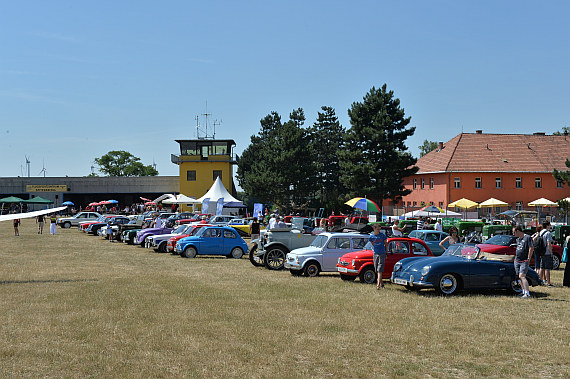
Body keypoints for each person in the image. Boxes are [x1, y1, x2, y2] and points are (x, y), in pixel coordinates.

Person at [513, 224, 534, 298]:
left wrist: (529, 258)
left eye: (514, 232)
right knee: (519, 277)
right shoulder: (518, 239)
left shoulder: (527, 237)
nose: (513, 234)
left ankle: (527, 293)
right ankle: (523, 292)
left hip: (524, 260)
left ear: (518, 231)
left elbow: (531, 247)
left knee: (522, 276)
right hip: (517, 260)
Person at [369, 223, 388, 289]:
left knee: (380, 270)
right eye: (377, 229)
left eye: (379, 229)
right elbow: (372, 244)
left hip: (382, 253)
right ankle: (382, 284)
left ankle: (378, 285)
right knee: (376, 270)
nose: (379, 230)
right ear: (374, 228)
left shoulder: (382, 235)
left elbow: (386, 243)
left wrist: (386, 251)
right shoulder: (371, 236)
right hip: (375, 254)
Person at [540, 221, 554, 287]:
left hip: (541, 251)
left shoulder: (541, 232)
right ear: (547, 225)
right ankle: (548, 283)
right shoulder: (548, 233)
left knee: (541, 267)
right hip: (547, 252)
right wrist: (551, 252)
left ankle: (540, 281)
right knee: (547, 268)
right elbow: (549, 243)